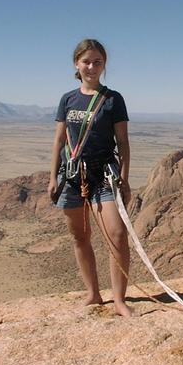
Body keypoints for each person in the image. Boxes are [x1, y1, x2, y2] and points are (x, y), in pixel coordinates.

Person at [48, 38, 133, 317]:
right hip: (73, 175)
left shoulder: (113, 99)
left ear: (104, 64)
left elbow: (123, 142)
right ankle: (93, 293)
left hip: (104, 175)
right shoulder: (68, 99)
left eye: (97, 62)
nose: (92, 67)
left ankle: (119, 300)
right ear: (76, 64)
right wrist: (52, 178)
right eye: (86, 61)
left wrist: (125, 177)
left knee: (117, 236)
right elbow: (59, 140)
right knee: (79, 236)